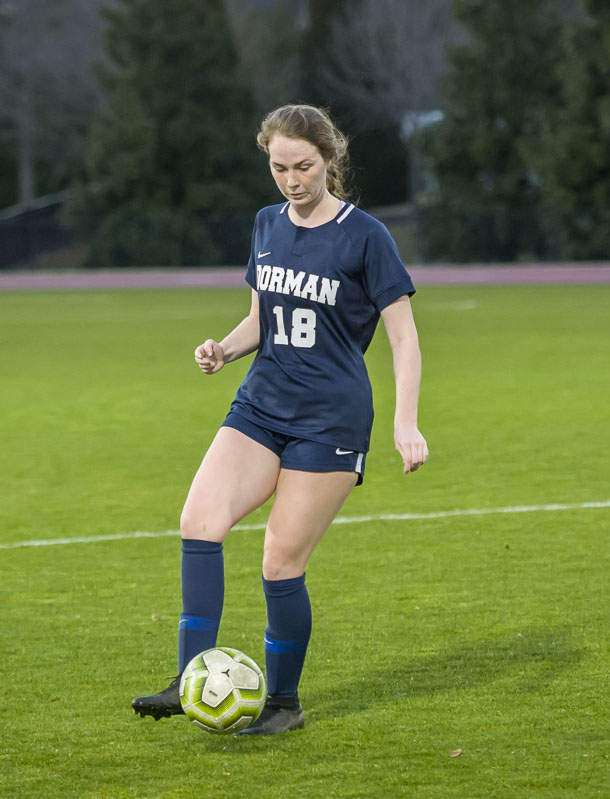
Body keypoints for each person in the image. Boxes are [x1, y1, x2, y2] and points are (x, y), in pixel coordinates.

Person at [132, 104, 428, 735]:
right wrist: (223, 348)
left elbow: (404, 337)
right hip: (262, 403)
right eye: (279, 167)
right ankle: (191, 681)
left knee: (279, 562)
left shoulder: (365, 236)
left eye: (304, 166)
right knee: (199, 521)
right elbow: (262, 318)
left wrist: (407, 422)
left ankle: (284, 705)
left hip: (330, 420)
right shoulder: (267, 224)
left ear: (330, 159)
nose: (292, 180)